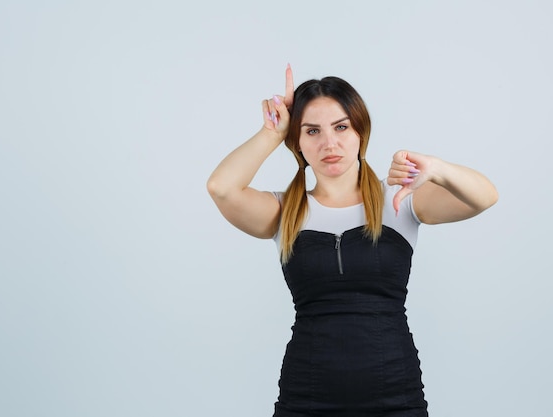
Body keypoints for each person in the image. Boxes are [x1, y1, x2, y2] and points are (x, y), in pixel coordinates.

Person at [206, 64, 498, 417]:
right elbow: (221, 188)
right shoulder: (282, 210)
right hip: (306, 400)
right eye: (311, 131)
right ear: (297, 143)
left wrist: (435, 169)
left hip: (396, 398)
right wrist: (271, 133)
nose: (329, 143)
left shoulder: (401, 200)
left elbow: (484, 197)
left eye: (341, 127)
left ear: (361, 132)